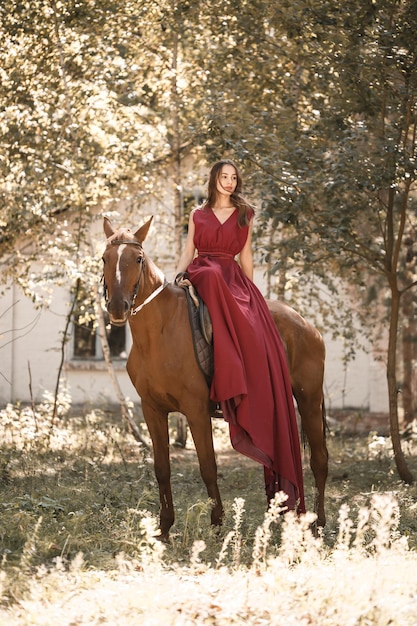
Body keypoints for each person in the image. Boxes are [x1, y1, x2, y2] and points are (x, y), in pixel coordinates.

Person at [176, 159, 305, 514]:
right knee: (213, 275)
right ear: (214, 179)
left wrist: (253, 296)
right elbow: (190, 250)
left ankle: (237, 380)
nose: (230, 182)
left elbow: (245, 257)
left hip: (231, 278)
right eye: (224, 176)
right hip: (204, 271)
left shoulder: (245, 213)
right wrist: (178, 274)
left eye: (234, 178)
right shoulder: (197, 214)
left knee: (248, 317)